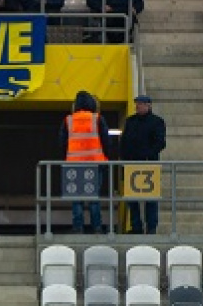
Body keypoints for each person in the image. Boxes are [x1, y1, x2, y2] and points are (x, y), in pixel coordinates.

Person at [60, 90, 110, 234]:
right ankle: (97, 227)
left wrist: (68, 157)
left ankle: (78, 227)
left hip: (74, 163)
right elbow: (106, 141)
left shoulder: (68, 120)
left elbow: (62, 142)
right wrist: (106, 156)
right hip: (95, 163)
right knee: (94, 197)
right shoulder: (97, 119)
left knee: (76, 197)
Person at [119, 94, 166, 234]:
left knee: (150, 199)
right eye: (137, 103)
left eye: (140, 103)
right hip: (131, 164)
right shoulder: (130, 121)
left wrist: (147, 154)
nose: (137, 106)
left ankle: (151, 227)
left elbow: (160, 143)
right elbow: (124, 141)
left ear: (148, 105)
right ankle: (136, 226)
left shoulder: (157, 122)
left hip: (149, 164)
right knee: (132, 199)